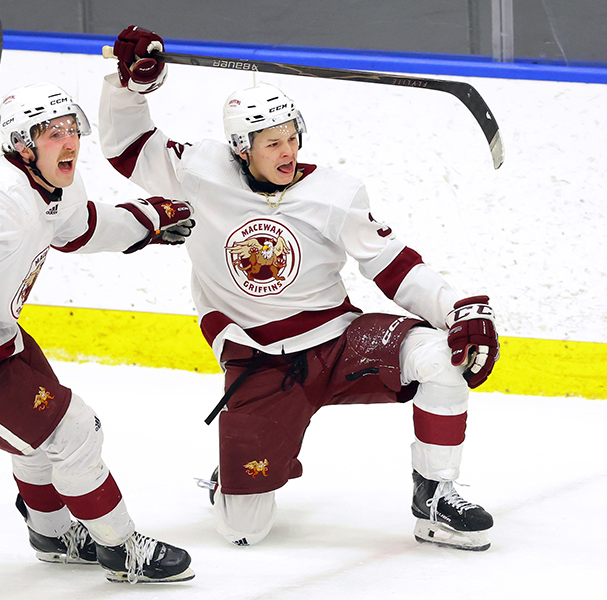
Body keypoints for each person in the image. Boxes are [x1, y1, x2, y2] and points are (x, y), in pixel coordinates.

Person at [98, 26, 501, 551]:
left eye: (292, 137)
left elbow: (391, 263)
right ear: (241, 149)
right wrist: (129, 87)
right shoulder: (198, 171)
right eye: (272, 143)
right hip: (260, 363)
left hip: (339, 342)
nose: (287, 151)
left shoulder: (333, 193)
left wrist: (457, 310)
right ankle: (235, 479)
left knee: (441, 358)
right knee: (243, 531)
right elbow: (126, 147)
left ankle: (435, 500)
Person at [0, 81, 196, 583]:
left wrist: (149, 219)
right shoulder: (2, 199)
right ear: (23, 146)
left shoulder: (56, 183)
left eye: (72, 129)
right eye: (54, 133)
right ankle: (120, 549)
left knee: (42, 436)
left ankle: (50, 535)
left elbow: (80, 230)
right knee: (75, 433)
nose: (70, 142)